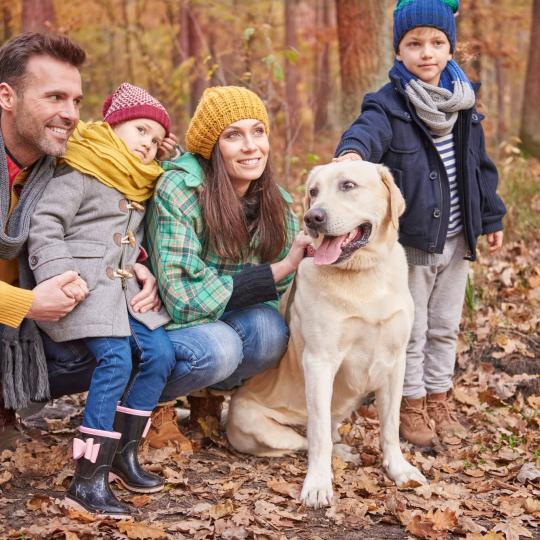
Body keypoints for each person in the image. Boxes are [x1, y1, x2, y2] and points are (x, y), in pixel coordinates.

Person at [334, 0, 506, 446]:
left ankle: (438, 399)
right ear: (398, 52)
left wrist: (491, 216)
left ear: (450, 49)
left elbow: (479, 167)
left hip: (456, 236)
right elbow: (366, 131)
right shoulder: (388, 105)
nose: (426, 52)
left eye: (436, 42)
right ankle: (409, 404)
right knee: (412, 328)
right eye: (414, 44)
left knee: (446, 325)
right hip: (412, 243)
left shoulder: (463, 103)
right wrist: (353, 153)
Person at [27, 83, 177, 517]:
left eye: (154, 138)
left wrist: (142, 259)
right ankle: (87, 477)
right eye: (140, 130)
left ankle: (125, 455)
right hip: (82, 290)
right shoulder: (82, 169)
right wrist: (57, 273)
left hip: (122, 292)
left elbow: (127, 237)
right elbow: (46, 221)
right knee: (115, 360)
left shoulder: (140, 179)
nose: (147, 143)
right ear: (113, 126)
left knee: (160, 353)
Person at [144, 86, 311, 448]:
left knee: (269, 333)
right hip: (166, 323)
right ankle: (151, 407)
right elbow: (182, 297)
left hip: (220, 314)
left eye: (258, 131)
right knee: (220, 348)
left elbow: (276, 294)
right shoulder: (180, 188)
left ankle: (206, 396)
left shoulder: (274, 201)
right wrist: (279, 270)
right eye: (233, 135)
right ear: (212, 147)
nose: (251, 146)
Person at [0, 32, 87, 450]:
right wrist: (27, 303)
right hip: (19, 311)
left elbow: (127, 151)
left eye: (76, 101)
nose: (69, 114)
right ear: (7, 97)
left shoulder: (64, 163)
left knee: (142, 345)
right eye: (54, 97)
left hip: (27, 331)